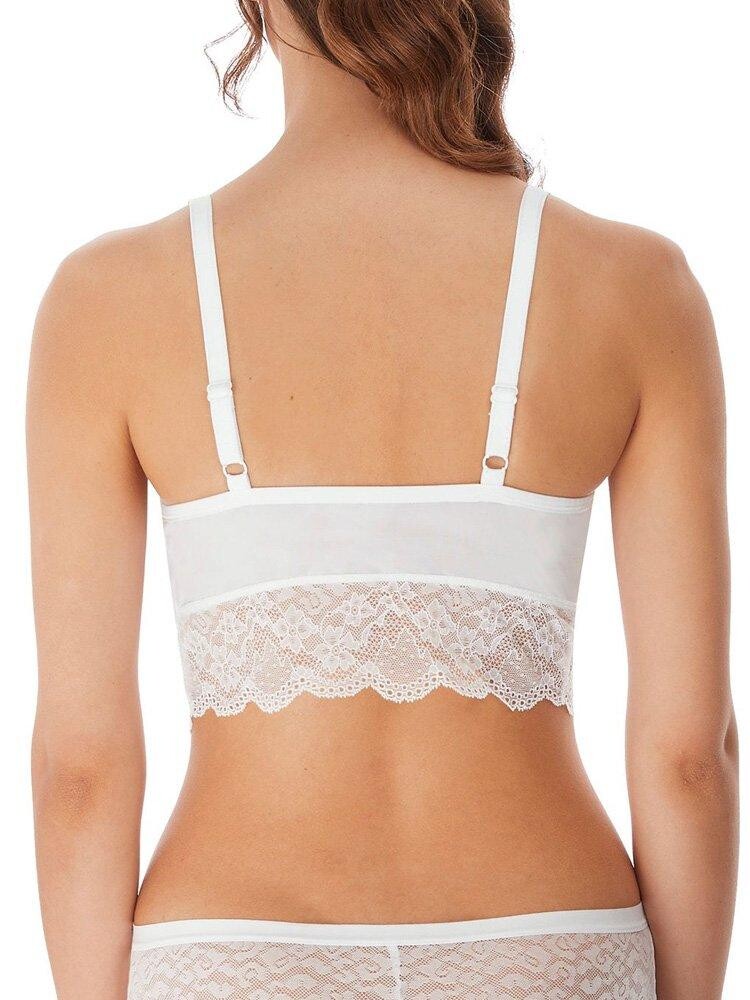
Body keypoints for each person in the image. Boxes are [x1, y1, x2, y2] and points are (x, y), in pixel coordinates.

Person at [28, 2, 738, 997]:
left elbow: (81, 769)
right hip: (550, 942)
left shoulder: (108, 298)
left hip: (235, 950)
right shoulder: (636, 285)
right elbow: (690, 756)